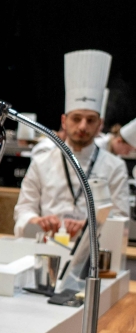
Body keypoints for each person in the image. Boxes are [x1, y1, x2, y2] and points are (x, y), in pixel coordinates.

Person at [14, 50, 129, 238]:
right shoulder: (41, 162)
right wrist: (36, 220)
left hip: (93, 254)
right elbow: (24, 209)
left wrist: (90, 227)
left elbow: (121, 220)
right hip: (46, 246)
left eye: (91, 120)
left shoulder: (114, 167)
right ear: (64, 121)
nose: (83, 126)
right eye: (76, 119)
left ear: (100, 125)